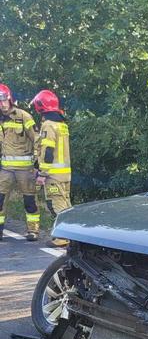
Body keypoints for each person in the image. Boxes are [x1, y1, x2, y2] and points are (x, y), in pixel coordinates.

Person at [30, 89, 71, 246]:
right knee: (66, 204)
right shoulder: (62, 124)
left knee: (55, 205)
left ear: (41, 106)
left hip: (53, 174)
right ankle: (71, 235)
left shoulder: (48, 125)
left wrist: (42, 173)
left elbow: (48, 150)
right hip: (65, 174)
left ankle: (63, 237)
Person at [0, 83, 40, 241]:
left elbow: (37, 139)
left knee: (30, 201)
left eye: (4, 100)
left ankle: (33, 231)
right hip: (5, 170)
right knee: (0, 201)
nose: (1, 104)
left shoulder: (23, 116)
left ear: (10, 99)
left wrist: (38, 164)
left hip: (25, 170)